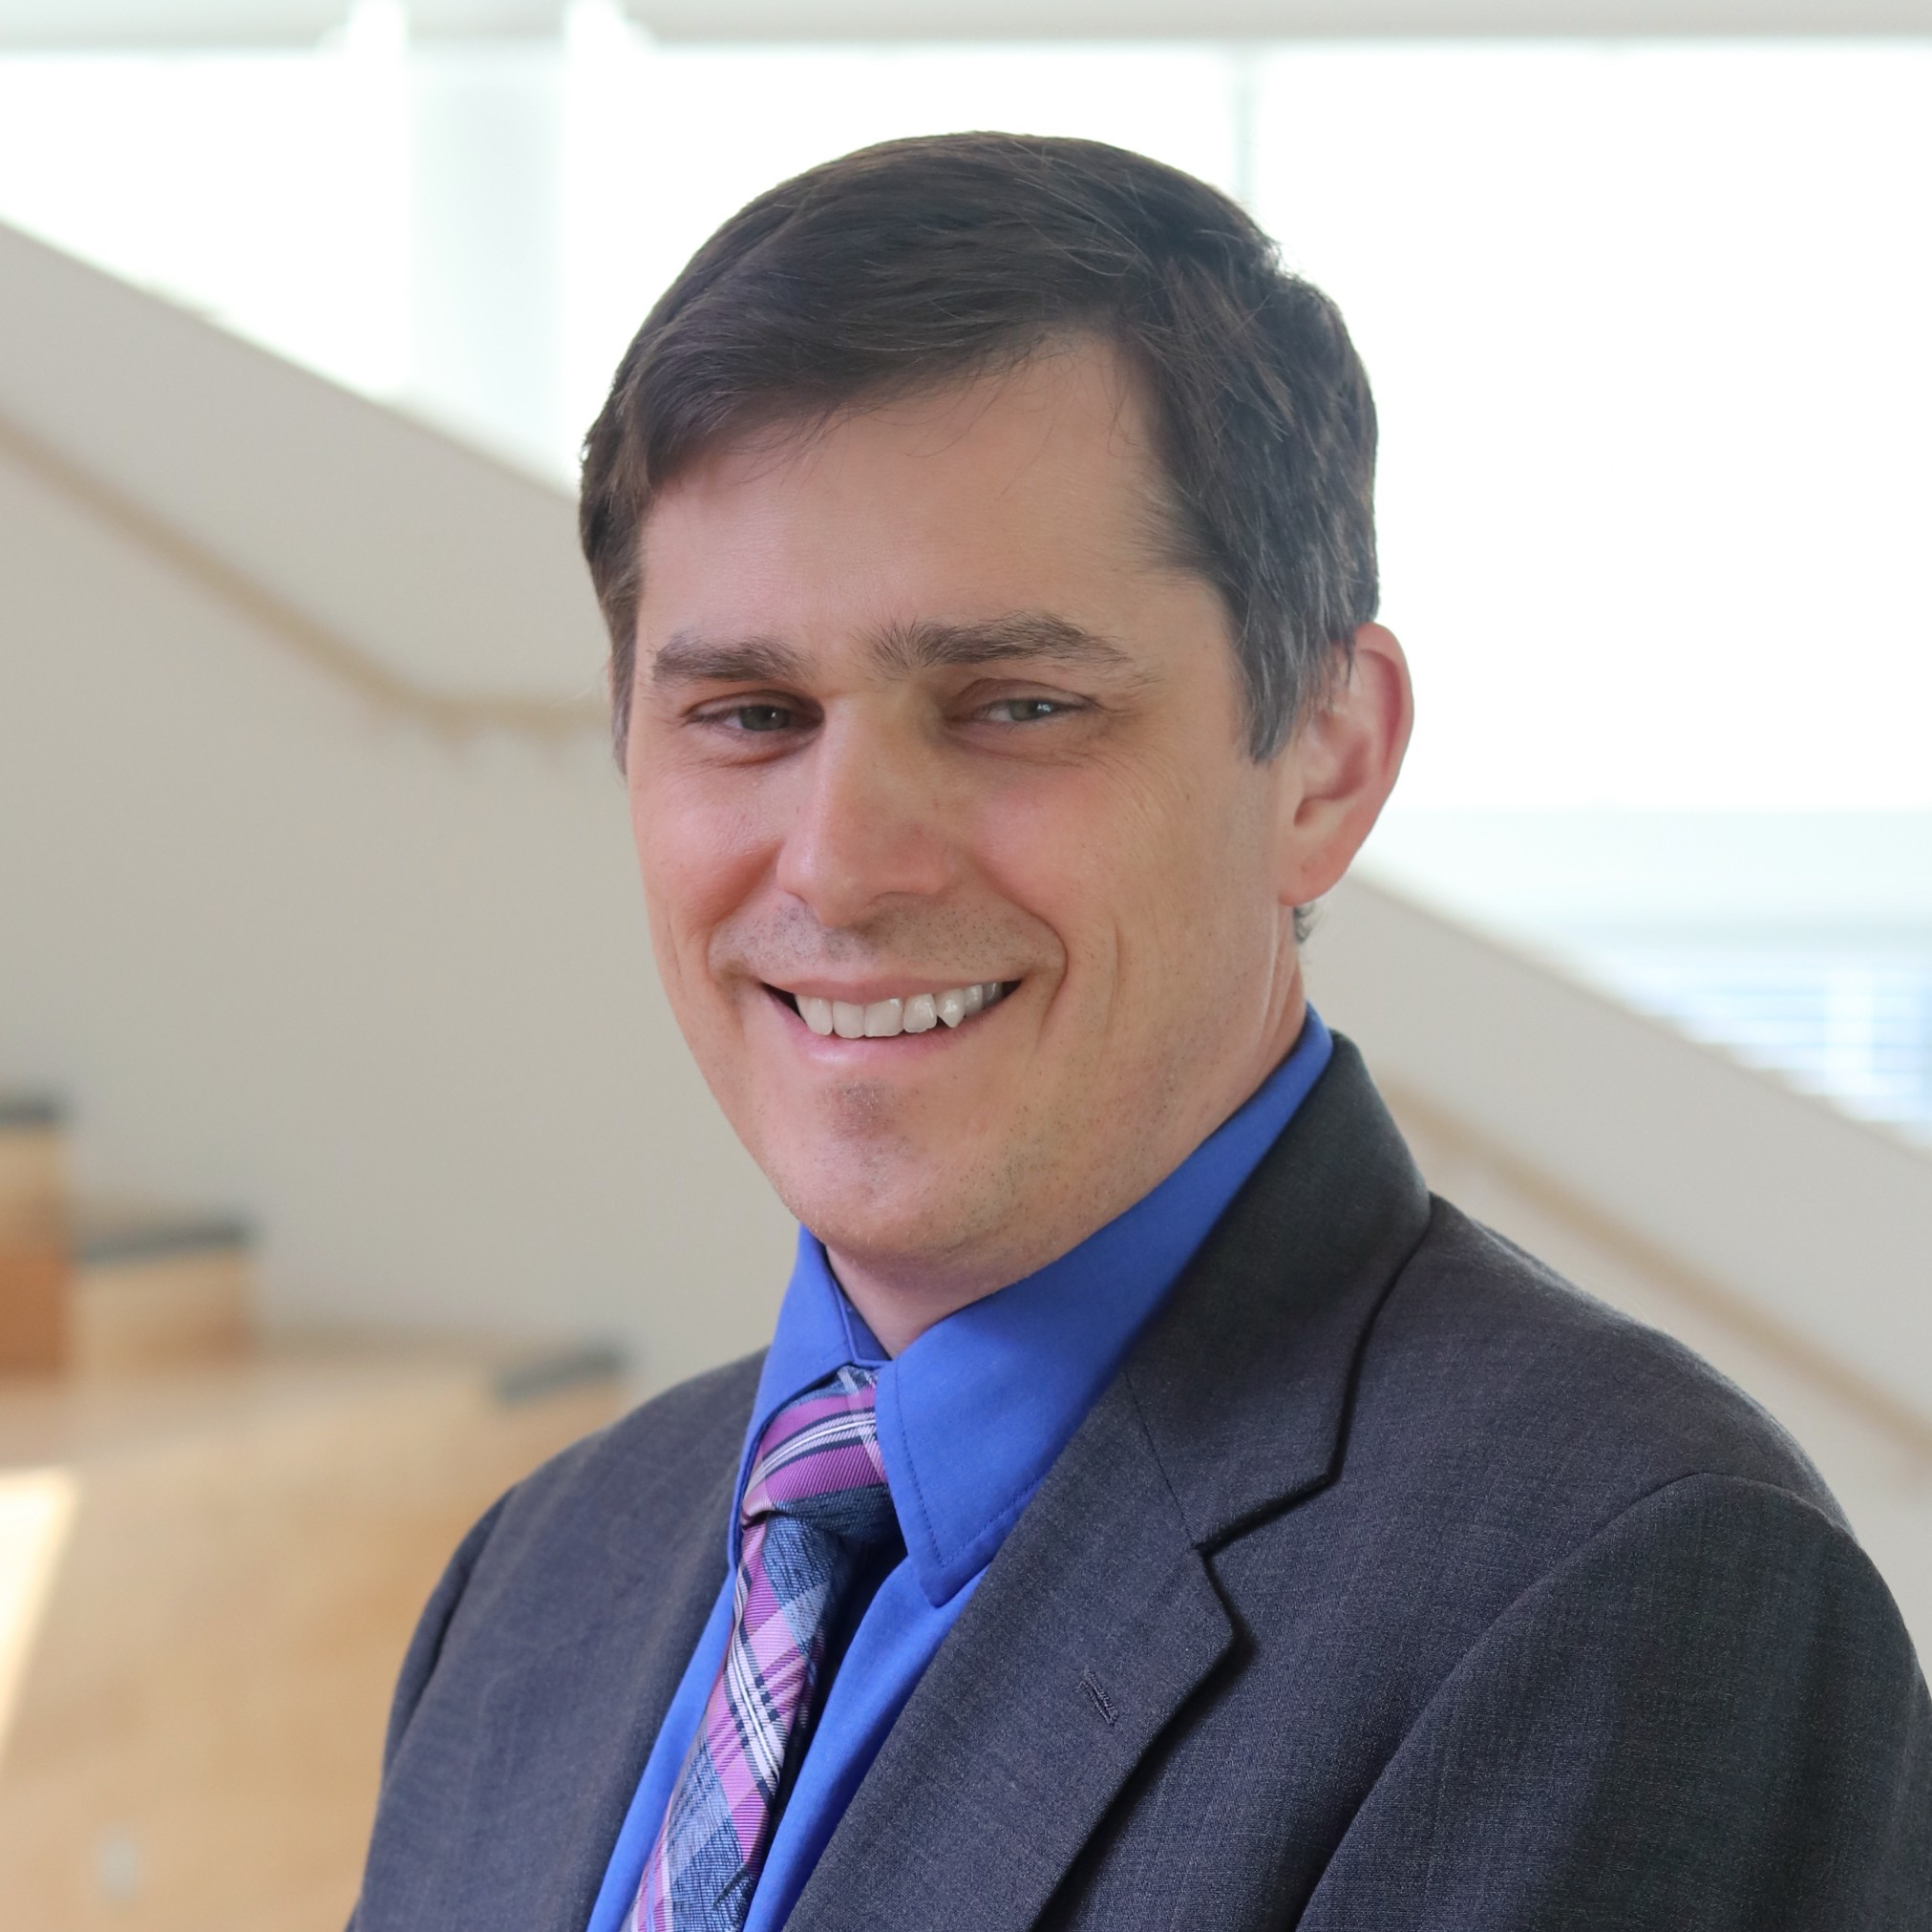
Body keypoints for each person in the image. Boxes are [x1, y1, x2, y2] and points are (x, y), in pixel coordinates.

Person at [350, 134, 1930, 1931]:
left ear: (1325, 757)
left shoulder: (1630, 1596)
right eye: (752, 713)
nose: (843, 865)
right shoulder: (537, 1585)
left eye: (1016, 704)